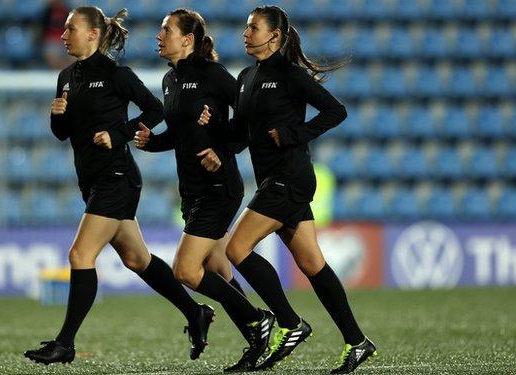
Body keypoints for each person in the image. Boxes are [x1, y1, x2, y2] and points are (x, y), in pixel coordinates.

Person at [24, 6, 213, 365]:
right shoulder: (66, 77)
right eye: (63, 31)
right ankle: (195, 313)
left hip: (117, 178)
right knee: (136, 258)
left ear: (93, 34)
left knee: (80, 255)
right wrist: (56, 116)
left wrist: (119, 133)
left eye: (70, 29)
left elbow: (155, 110)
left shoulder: (116, 75)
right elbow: (63, 134)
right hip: (92, 180)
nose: (63, 36)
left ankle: (65, 343)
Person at [199, 5, 376, 374]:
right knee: (312, 263)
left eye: (254, 28)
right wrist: (215, 133)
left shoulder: (290, 75)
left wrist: (297, 133)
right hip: (272, 179)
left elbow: (335, 111)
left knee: (236, 247)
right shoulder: (246, 76)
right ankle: (357, 342)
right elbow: (240, 135)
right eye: (246, 28)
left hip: (290, 177)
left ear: (274, 36)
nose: (246, 34)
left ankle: (290, 323)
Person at [134, 9, 274, 371]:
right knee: (219, 271)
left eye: (166, 29)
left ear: (187, 39)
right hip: (192, 190)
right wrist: (151, 143)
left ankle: (259, 319)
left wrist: (223, 150)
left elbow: (248, 119)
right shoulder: (169, 80)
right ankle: (257, 343)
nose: (158, 35)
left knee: (185, 270)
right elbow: (181, 135)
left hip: (219, 187)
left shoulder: (212, 75)